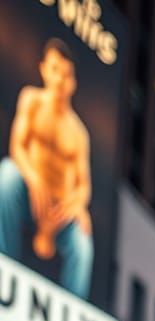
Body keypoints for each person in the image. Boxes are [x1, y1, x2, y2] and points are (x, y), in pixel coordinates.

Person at [0, 38, 93, 298]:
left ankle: (75, 307)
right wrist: (33, 178)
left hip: (59, 213)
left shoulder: (78, 132)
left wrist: (75, 206)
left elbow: (84, 185)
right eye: (54, 70)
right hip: (29, 198)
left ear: (72, 82)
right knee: (6, 175)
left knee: (83, 243)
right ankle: (3, 264)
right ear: (43, 69)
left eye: (65, 75)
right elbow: (17, 146)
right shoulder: (31, 100)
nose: (59, 80)